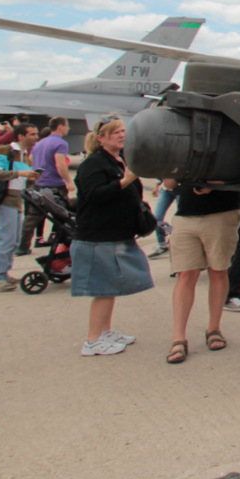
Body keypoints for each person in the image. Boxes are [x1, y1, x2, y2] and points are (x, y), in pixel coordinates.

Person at [70, 114, 153, 356]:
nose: (121, 135)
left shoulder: (118, 161)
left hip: (116, 234)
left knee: (112, 287)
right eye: (115, 132)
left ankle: (105, 331)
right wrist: (125, 181)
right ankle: (93, 340)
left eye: (123, 131)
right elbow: (95, 195)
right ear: (101, 139)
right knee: (103, 290)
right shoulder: (93, 163)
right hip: (98, 238)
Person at [166, 179, 240, 363]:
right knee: (185, 274)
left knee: (218, 270)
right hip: (185, 214)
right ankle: (178, 338)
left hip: (221, 212)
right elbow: (169, 183)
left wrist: (213, 183)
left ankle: (214, 329)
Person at [0, 122, 38, 291]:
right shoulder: (5, 150)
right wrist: (21, 173)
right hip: (6, 200)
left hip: (16, 200)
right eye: (32, 135)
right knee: (7, 239)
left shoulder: (25, 155)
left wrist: (30, 179)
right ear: (21, 136)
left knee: (13, 241)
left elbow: (19, 180)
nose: (36, 138)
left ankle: (3, 273)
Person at [22, 116, 76, 255]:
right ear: (60, 126)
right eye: (66, 125)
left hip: (39, 184)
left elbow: (31, 160)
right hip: (55, 185)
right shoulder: (60, 143)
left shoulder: (39, 143)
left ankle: (22, 246)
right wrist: (69, 181)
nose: (68, 128)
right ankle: (63, 244)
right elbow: (60, 164)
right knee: (63, 215)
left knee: (33, 217)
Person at [148, 180, 177, 259]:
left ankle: (182, 243)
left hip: (181, 188)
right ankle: (163, 245)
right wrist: (157, 185)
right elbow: (162, 169)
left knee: (180, 219)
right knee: (157, 218)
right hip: (165, 190)